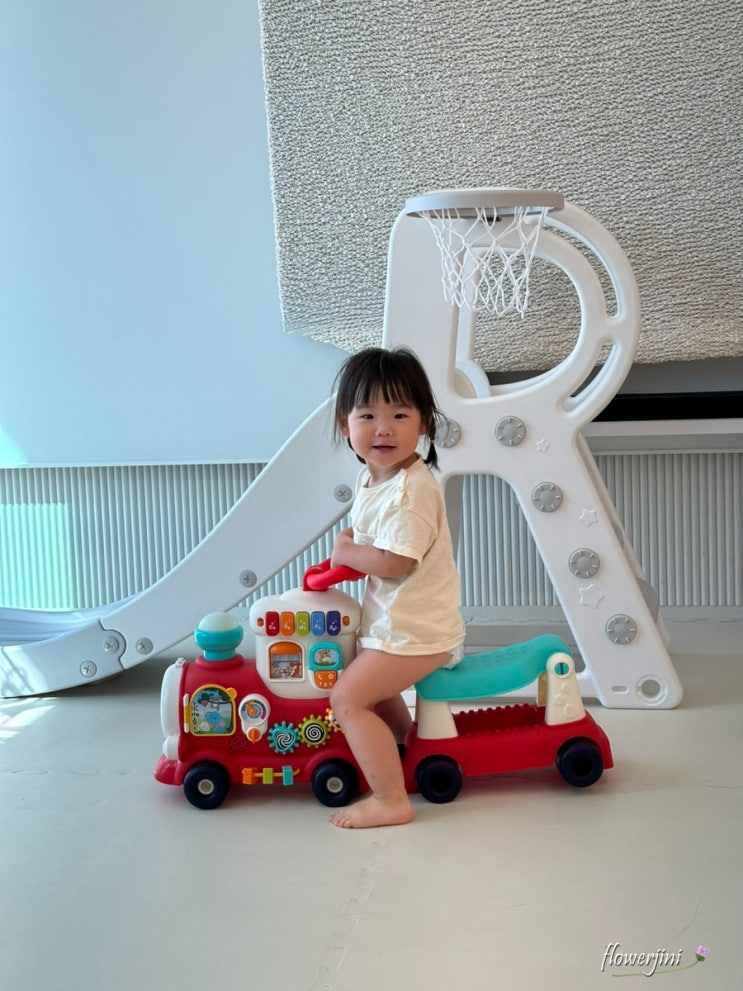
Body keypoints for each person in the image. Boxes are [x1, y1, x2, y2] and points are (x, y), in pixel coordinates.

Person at [328, 346, 465, 828]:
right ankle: (408, 753)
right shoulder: (375, 479)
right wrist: (347, 554)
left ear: (423, 422)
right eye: (368, 415)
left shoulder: (411, 491)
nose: (383, 428)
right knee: (372, 691)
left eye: (400, 415)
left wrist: (345, 553)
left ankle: (390, 799)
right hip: (395, 626)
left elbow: (395, 563)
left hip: (416, 632)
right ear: (346, 426)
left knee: (347, 699)